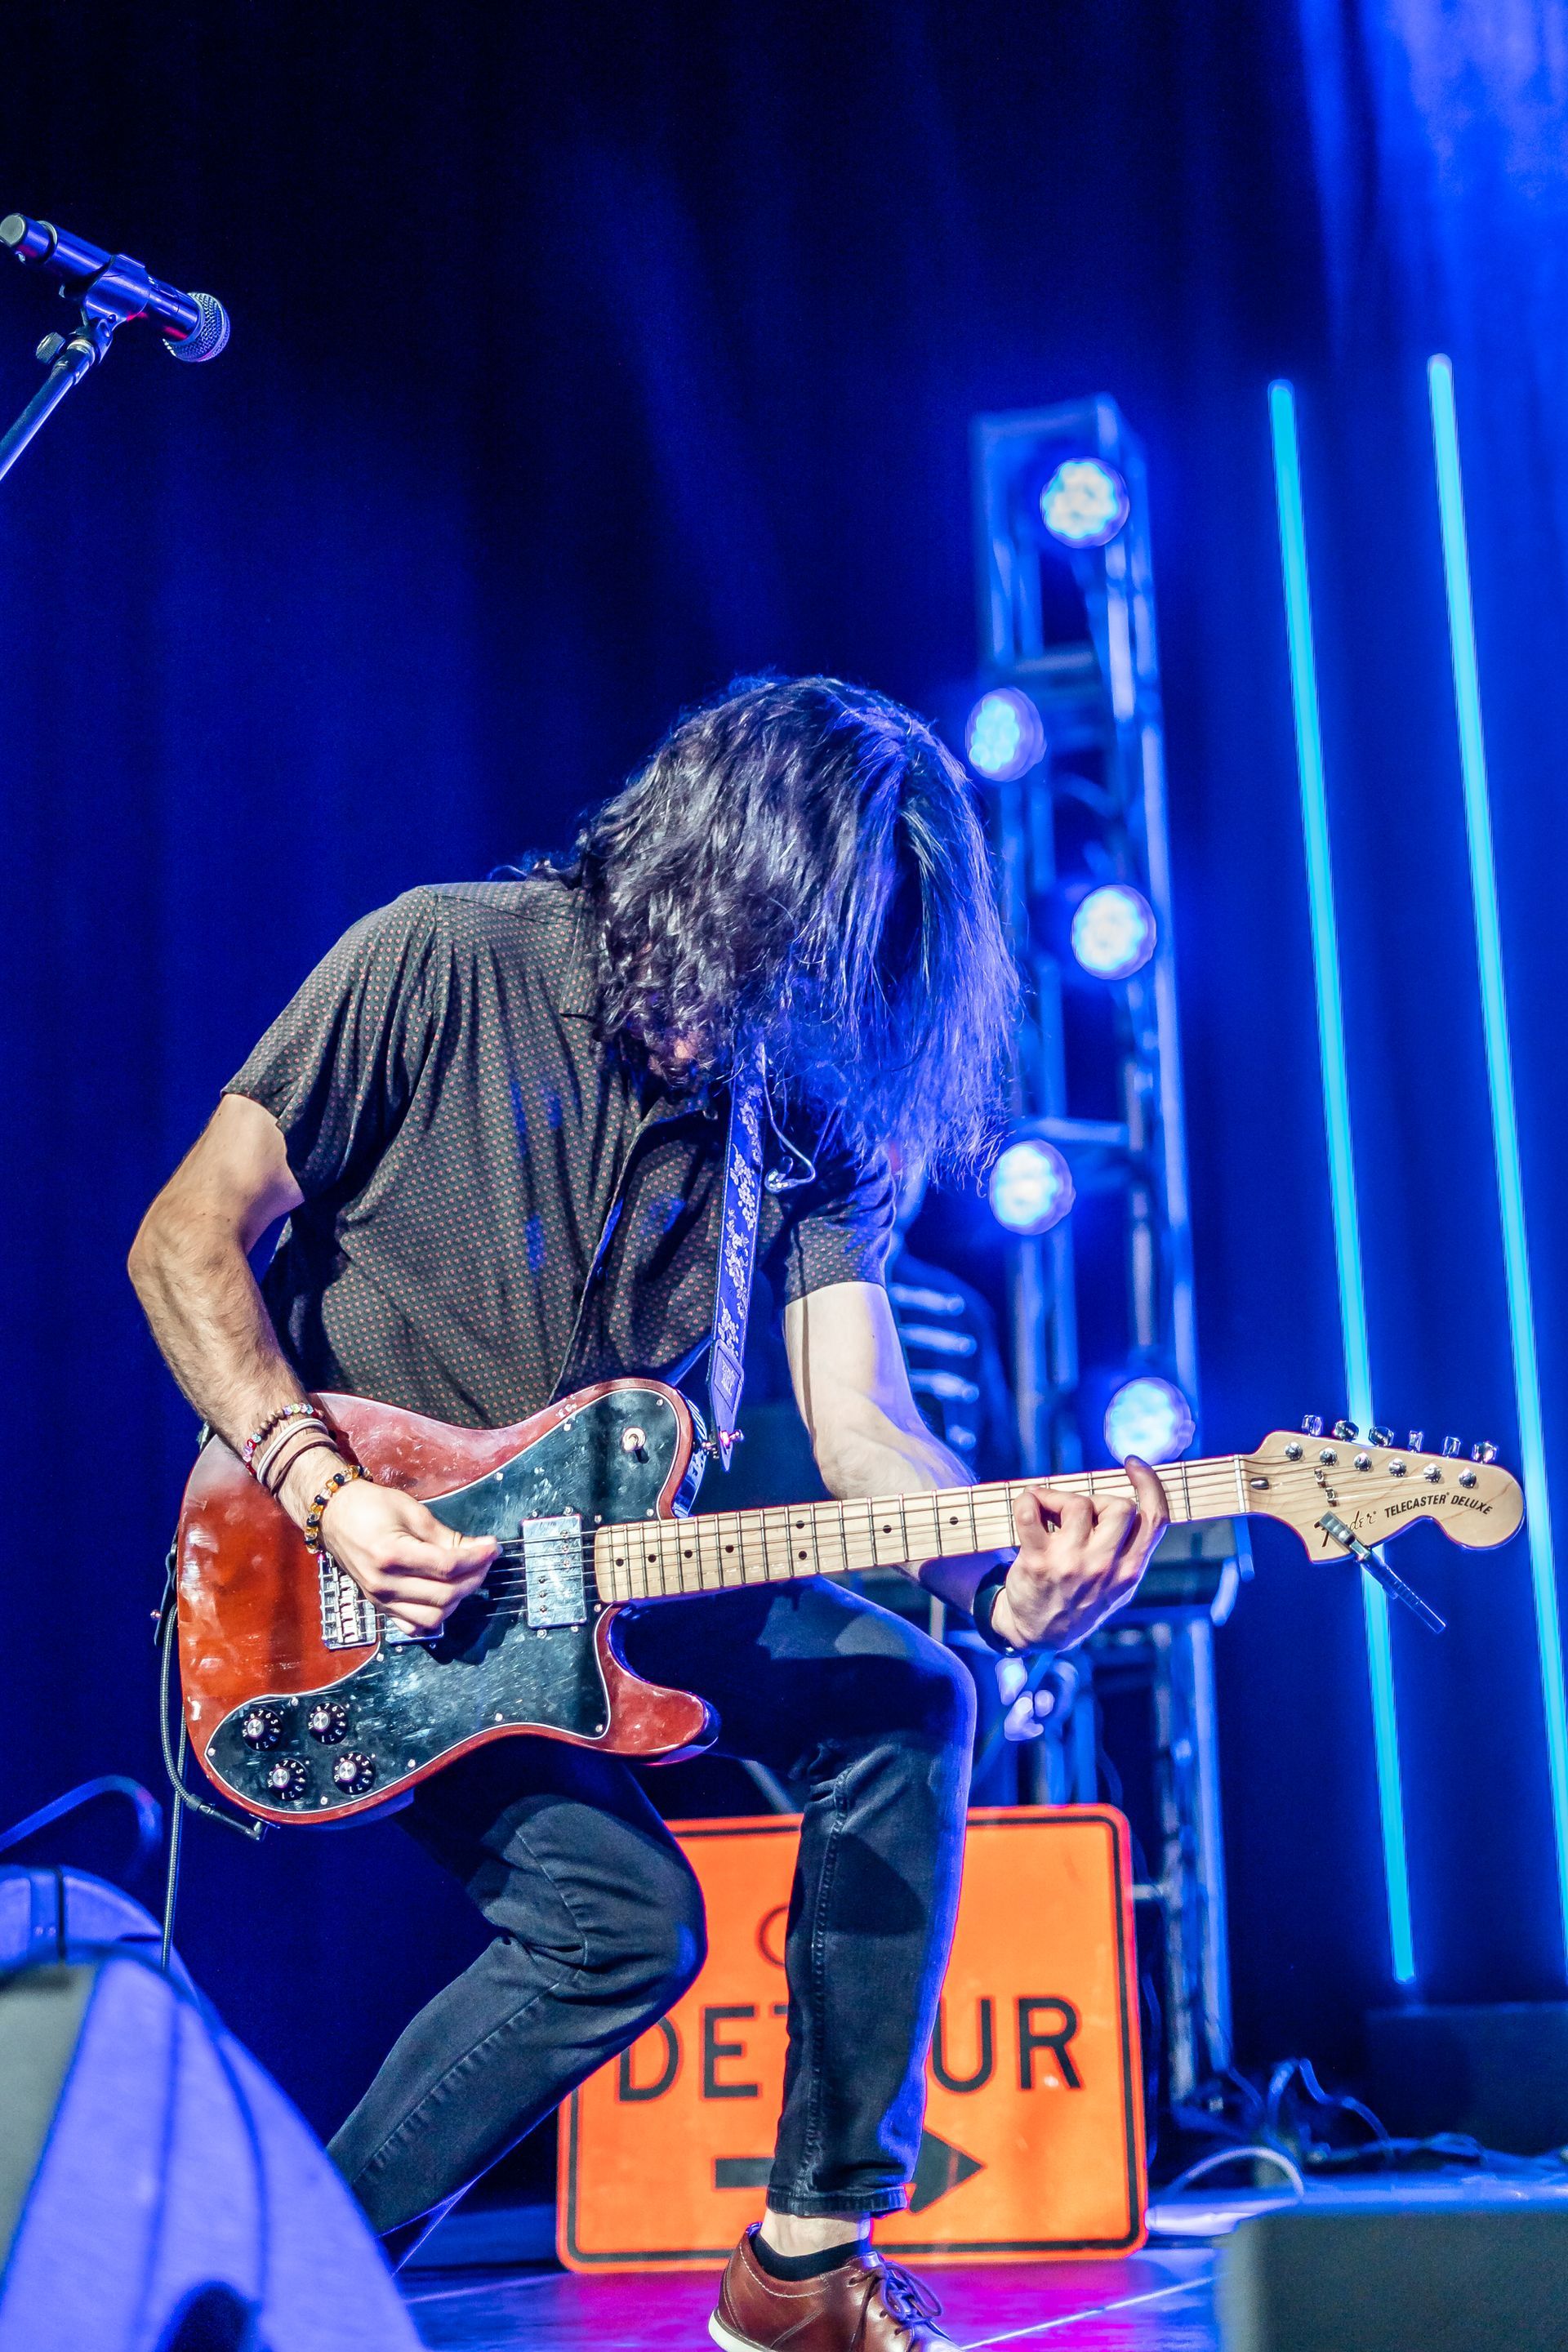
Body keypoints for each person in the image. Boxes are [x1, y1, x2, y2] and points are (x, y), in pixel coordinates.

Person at [129, 675, 1168, 2352]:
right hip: (339, 1584)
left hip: (604, 1559)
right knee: (623, 1927)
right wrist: (321, 1491)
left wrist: (992, 1564)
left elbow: (862, 1424)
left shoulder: (806, 1108)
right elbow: (184, 1243)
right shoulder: (435, 958)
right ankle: (280, 2293)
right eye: (782, 965)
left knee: (912, 1693)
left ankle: (805, 2265)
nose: (774, 1032)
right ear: (711, 873)